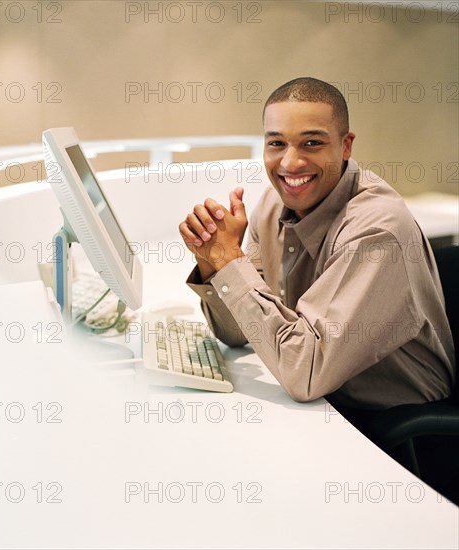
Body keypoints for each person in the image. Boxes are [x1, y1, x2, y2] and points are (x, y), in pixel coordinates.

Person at [178, 77, 455, 414]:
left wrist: (230, 261)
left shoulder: (377, 230)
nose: (290, 163)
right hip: (323, 400)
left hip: (390, 424)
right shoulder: (271, 206)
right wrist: (215, 262)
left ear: (346, 146)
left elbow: (304, 373)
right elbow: (238, 332)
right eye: (277, 143)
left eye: (311, 143)